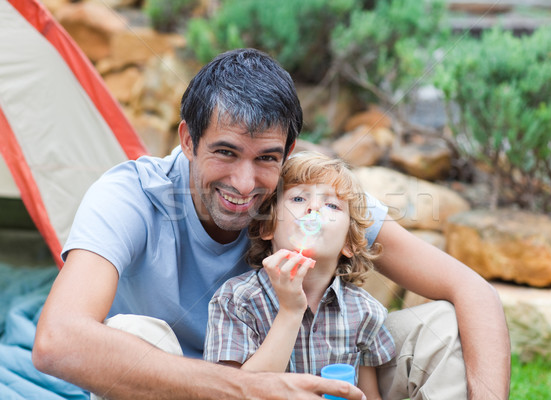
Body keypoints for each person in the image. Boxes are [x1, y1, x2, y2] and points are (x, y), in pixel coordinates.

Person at [32, 48, 510, 400]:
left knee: (444, 327)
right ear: (187, 139)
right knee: (134, 333)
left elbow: (473, 291)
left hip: (308, 380)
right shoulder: (130, 196)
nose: (244, 184)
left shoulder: (307, 195)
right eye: (225, 152)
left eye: (266, 158)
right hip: (182, 388)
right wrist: (242, 388)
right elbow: (58, 341)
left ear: (289, 152)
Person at [205, 152, 396, 400]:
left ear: (348, 243)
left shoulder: (365, 312)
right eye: (297, 198)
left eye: (332, 205)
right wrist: (290, 311)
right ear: (267, 226)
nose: (314, 208)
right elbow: (232, 393)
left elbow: (368, 395)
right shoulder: (236, 301)